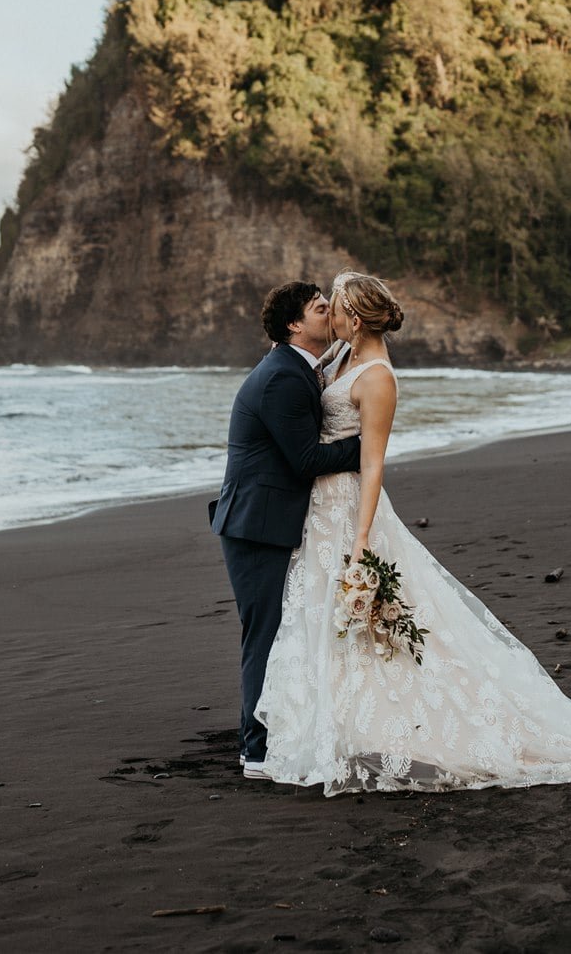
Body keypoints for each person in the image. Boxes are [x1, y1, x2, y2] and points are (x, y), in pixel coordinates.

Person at [255, 270, 571, 793]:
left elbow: (375, 464)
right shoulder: (341, 357)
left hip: (354, 509)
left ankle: (410, 726)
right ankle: (336, 724)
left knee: (372, 618)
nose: (328, 315)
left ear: (354, 319)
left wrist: (362, 540)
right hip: (321, 508)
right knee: (325, 615)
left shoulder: (378, 376)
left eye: (334, 307)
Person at [210, 280, 362, 779]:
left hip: (270, 520)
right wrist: (368, 448)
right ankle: (255, 751)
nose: (330, 315)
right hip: (255, 525)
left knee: (281, 630)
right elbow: (305, 460)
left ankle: (278, 734)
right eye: (321, 309)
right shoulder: (282, 377)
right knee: (266, 635)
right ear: (295, 324)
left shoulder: (298, 368)